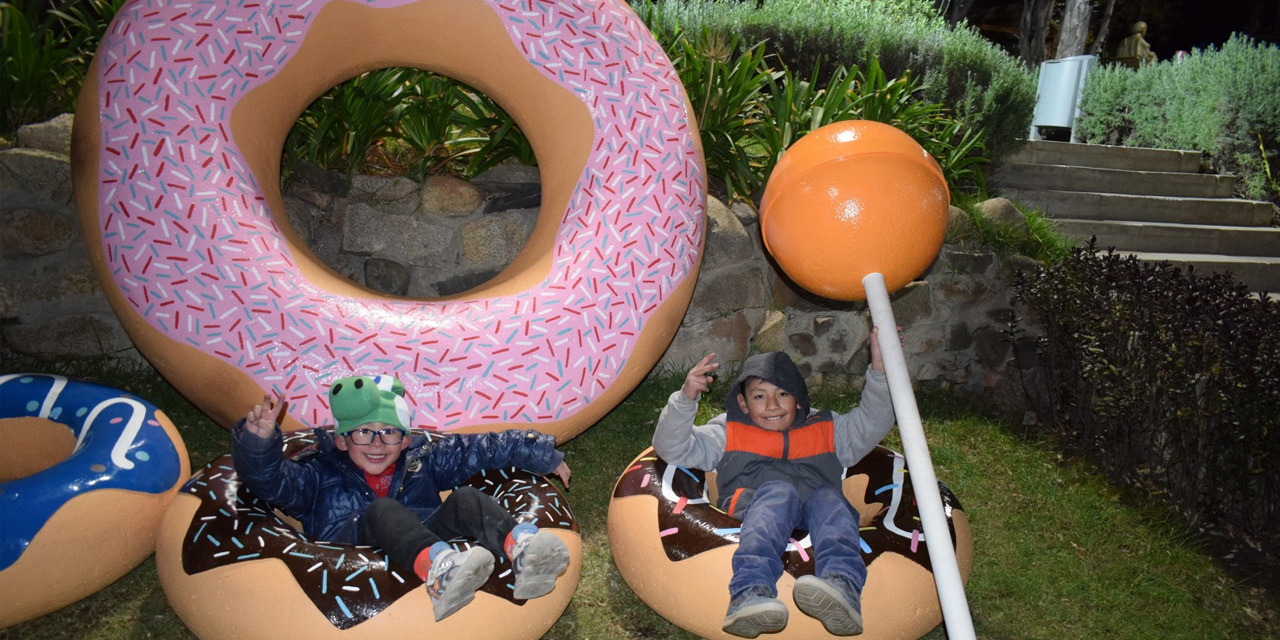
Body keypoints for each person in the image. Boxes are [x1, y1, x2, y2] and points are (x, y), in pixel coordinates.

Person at [231, 374, 573, 621]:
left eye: (389, 432)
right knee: (383, 509)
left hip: (426, 533)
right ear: (341, 441)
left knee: (467, 497)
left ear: (406, 440)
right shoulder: (317, 474)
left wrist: (540, 452)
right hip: (354, 549)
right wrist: (257, 443)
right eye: (364, 432)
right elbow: (270, 481)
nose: (377, 444)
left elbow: (479, 449)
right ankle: (440, 573)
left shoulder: (421, 462)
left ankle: (524, 550)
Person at [652, 328, 897, 638]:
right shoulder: (728, 432)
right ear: (743, 403)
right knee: (779, 492)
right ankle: (749, 592)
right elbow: (671, 447)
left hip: (816, 511)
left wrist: (880, 369)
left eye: (783, 394)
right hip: (755, 507)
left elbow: (873, 421)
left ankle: (841, 587)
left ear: (798, 398)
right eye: (759, 396)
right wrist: (686, 399)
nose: (772, 405)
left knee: (831, 500)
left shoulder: (826, 427)